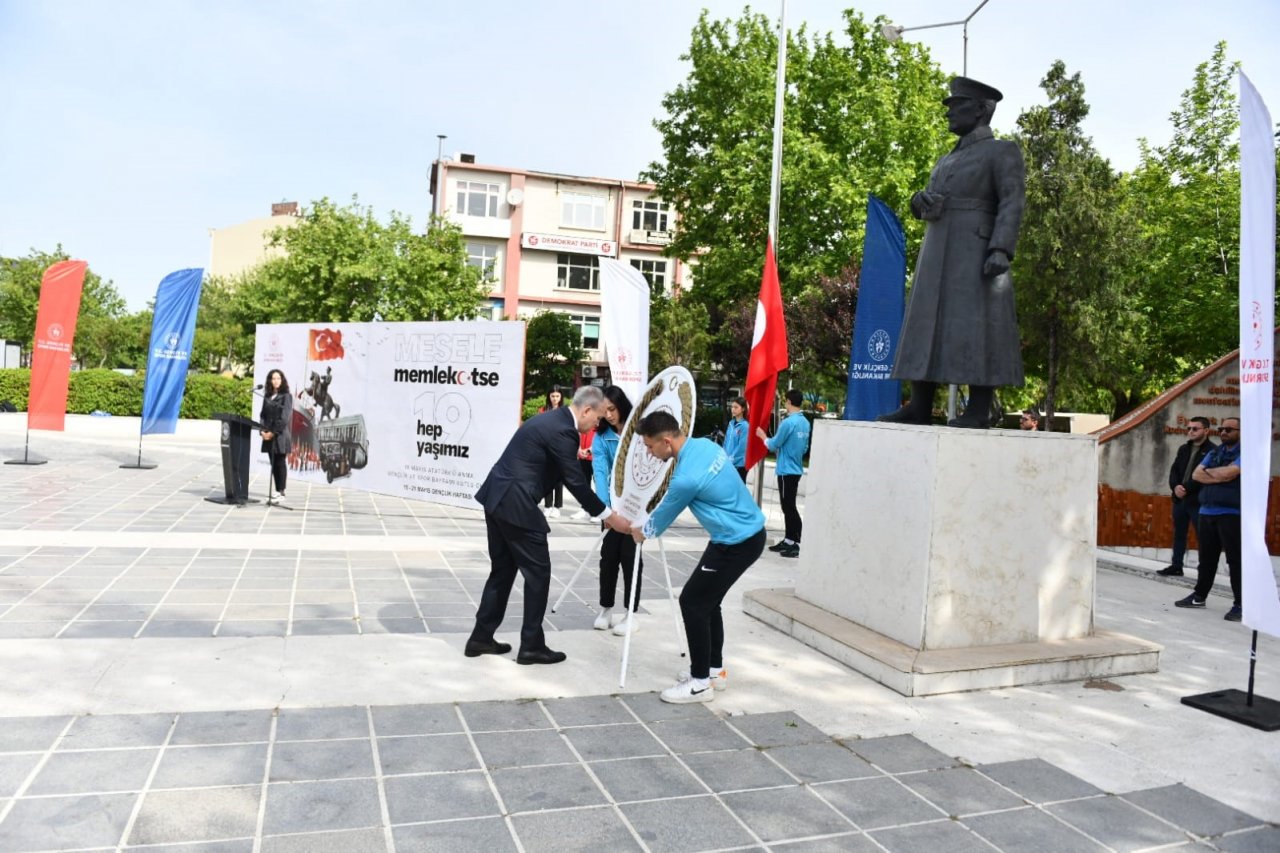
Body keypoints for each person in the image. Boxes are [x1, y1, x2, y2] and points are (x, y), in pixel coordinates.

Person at [878, 76, 1026, 429]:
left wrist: (1001, 248)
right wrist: (919, 201)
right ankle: (919, 405)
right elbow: (930, 199)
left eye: (956, 106)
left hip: (975, 250)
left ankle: (978, 409)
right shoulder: (947, 158)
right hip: (937, 246)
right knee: (924, 324)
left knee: (977, 327)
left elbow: (1012, 201)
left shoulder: (1002, 151)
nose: (949, 113)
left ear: (979, 110)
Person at [467, 385, 631, 664]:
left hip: (498, 497)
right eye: (598, 417)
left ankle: (481, 637)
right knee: (538, 574)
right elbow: (575, 482)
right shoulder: (563, 430)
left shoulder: (552, 422)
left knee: (503, 571)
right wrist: (609, 516)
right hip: (516, 504)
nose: (598, 423)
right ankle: (531, 645)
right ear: (587, 409)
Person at [625, 410, 766, 704]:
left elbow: (663, 514)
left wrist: (642, 531)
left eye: (650, 447)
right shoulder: (706, 446)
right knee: (707, 601)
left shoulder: (685, 478)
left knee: (692, 602)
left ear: (666, 441)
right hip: (740, 536)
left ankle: (700, 682)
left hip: (737, 542)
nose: (650, 454)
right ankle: (714, 671)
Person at [1175, 417, 1242, 622]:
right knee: (1206, 559)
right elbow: (1197, 475)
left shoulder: (1246, 453)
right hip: (1207, 511)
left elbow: (1231, 473)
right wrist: (1218, 475)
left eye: (1228, 429)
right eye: (1221, 429)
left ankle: (1241, 604)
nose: (1223, 432)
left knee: (1235, 560)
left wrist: (1213, 474)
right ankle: (1199, 596)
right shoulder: (1215, 452)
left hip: (1231, 513)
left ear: (1240, 431)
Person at [591, 386, 644, 635]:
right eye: (604, 411)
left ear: (621, 405)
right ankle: (606, 608)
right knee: (608, 558)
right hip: (613, 507)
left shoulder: (639, 431)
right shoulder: (601, 438)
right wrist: (605, 511)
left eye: (612, 409)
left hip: (637, 506)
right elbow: (600, 472)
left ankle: (631, 613)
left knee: (631, 559)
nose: (609, 415)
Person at [755, 389, 811, 558]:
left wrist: (762, 436)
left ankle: (797, 542)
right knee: (788, 506)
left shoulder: (788, 423)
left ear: (788, 402)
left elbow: (773, 444)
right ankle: (788, 540)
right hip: (796, 468)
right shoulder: (805, 423)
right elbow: (805, 447)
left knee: (789, 507)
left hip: (786, 470)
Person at [1159, 416, 1216, 578]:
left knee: (1203, 537)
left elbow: (1206, 475)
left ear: (1206, 430)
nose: (1190, 431)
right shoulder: (1184, 449)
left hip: (1198, 501)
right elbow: (1174, 470)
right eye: (1189, 428)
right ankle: (1176, 566)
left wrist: (1186, 488)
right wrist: (1175, 486)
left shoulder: (1213, 451)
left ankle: (1203, 571)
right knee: (1179, 534)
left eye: (1195, 429)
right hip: (1180, 500)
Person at [259, 369, 293, 502]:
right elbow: (263, 415)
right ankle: (277, 489)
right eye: (273, 379)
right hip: (267, 434)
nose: (276, 381)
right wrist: (262, 431)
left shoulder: (286, 396)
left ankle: (282, 492)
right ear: (270, 381)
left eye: (278, 378)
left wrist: (272, 433)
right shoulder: (267, 396)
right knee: (273, 463)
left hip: (280, 435)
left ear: (282, 380)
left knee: (280, 463)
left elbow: (284, 418)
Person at [540, 388, 565, 517]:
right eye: (552, 396)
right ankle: (548, 505)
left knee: (558, 479)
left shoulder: (565, 412)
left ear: (561, 397)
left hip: (560, 449)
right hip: (546, 448)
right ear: (549, 396)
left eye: (557, 396)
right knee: (546, 477)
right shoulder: (543, 411)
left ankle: (557, 507)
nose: (555, 399)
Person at [723, 396, 749, 482]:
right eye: (732, 407)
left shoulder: (745, 426)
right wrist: (723, 456)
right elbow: (726, 442)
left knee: (738, 491)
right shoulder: (731, 423)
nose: (733, 409)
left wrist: (731, 459)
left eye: (736, 407)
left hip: (739, 465)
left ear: (743, 409)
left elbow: (742, 446)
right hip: (728, 463)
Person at [571, 428, 594, 521]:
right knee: (584, 484)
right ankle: (584, 508)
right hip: (583, 456)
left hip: (596, 456)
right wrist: (579, 449)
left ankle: (598, 512)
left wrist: (589, 450)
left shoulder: (600, 420)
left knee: (600, 485)